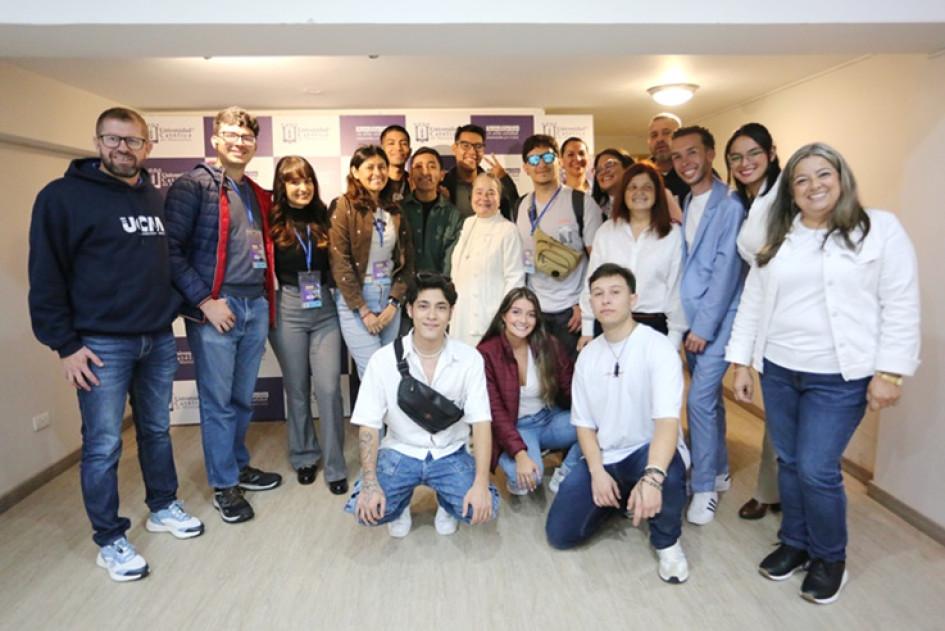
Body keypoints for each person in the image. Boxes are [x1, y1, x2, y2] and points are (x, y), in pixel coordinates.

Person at [727, 143, 920, 605]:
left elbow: (902, 302)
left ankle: (830, 557)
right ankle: (794, 542)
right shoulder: (780, 239)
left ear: (841, 178)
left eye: (823, 175)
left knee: (816, 468)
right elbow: (752, 304)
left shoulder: (879, 230)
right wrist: (741, 363)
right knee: (788, 462)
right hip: (780, 369)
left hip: (840, 376)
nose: (814, 186)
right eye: (802, 179)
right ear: (790, 192)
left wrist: (890, 373)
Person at [28, 107, 204, 581]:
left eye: (133, 141)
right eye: (113, 139)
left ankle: (163, 507)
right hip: (101, 343)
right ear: (98, 141)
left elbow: (167, 263)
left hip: (157, 338)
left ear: (147, 147)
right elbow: (45, 277)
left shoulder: (155, 196)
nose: (122, 148)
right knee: (104, 445)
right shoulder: (61, 198)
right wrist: (65, 345)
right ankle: (110, 538)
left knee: (154, 431)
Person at [166, 106, 282, 525]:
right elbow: (171, 252)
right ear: (216, 139)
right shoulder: (192, 185)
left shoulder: (253, 190)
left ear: (255, 143)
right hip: (218, 308)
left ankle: (236, 466)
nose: (239, 141)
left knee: (239, 400)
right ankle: (223, 485)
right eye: (231, 134)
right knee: (217, 403)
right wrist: (204, 302)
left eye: (247, 136)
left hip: (255, 304)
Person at [546, 264, 690, 584]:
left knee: (668, 475)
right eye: (598, 294)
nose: (606, 300)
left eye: (615, 292)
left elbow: (667, 423)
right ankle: (621, 497)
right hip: (606, 455)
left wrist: (652, 478)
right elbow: (583, 426)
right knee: (560, 534)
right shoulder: (587, 356)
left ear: (633, 299)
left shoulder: (658, 348)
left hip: (646, 449)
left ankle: (667, 543)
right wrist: (597, 472)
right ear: (590, 303)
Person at [345, 272, 500, 538]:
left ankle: (448, 505)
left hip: (450, 452)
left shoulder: (469, 359)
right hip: (400, 451)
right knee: (368, 513)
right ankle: (400, 503)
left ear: (451, 313)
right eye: (423, 306)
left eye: (441, 307)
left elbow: (482, 423)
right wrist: (370, 483)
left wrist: (481, 484)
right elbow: (369, 425)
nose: (432, 315)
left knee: (482, 510)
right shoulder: (382, 361)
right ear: (410, 310)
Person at [670, 125, 746, 526]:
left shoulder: (730, 205)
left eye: (692, 153)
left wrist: (702, 327)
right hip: (692, 321)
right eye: (678, 156)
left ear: (711, 154)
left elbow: (726, 272)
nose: (685, 162)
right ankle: (718, 471)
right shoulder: (688, 199)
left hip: (716, 322)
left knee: (697, 400)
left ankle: (701, 489)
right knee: (710, 400)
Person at [267, 156, 348, 494]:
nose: (302, 188)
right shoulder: (269, 221)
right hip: (289, 308)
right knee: (297, 388)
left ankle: (335, 466)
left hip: (325, 309)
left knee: (329, 388)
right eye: (293, 181)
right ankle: (303, 457)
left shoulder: (325, 217)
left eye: (307, 180)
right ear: (282, 187)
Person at [724, 123, 783, 520]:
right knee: (778, 418)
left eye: (753, 154)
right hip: (762, 312)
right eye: (736, 157)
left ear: (772, 153)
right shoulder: (744, 198)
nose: (745, 163)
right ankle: (771, 492)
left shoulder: (785, 198)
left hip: (787, 318)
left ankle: (778, 497)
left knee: (785, 422)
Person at [478, 288, 581, 496]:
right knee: (527, 482)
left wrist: (595, 412)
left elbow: (571, 387)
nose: (523, 320)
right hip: (517, 426)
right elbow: (495, 413)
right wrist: (520, 454)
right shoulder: (487, 353)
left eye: (531, 314)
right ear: (503, 315)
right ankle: (519, 453)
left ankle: (566, 470)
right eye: (516, 312)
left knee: (597, 423)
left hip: (549, 419)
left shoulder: (548, 344)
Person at [578, 161, 685, 350]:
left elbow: (676, 288)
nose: (639, 192)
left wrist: (674, 339)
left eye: (647, 187)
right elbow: (592, 280)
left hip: (654, 326)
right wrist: (587, 327)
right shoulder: (607, 231)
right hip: (609, 324)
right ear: (623, 193)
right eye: (632, 187)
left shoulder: (673, 234)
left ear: (658, 193)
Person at [329, 145, 414, 378]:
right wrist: (363, 310)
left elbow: (407, 264)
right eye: (370, 167)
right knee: (374, 375)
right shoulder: (342, 206)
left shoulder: (395, 210)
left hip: (389, 297)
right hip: (357, 299)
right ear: (355, 172)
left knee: (391, 371)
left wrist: (394, 304)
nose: (377, 172)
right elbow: (340, 261)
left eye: (382, 167)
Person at [515, 134, 603, 361]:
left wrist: (584, 306)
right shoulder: (521, 205)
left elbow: (597, 261)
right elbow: (525, 255)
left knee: (573, 385)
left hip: (571, 312)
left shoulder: (581, 203)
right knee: (542, 384)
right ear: (525, 167)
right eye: (534, 160)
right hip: (535, 312)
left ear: (559, 161)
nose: (541, 164)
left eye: (547, 157)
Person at [449, 172, 526, 347]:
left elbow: (515, 279)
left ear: (499, 199)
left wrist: (505, 318)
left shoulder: (508, 230)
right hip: (462, 317)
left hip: (489, 318)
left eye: (491, 193)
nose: (484, 198)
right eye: (479, 192)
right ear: (471, 197)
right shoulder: (468, 224)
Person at [401, 147, 462, 275]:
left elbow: (451, 261)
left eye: (432, 166)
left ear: (441, 175)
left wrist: (441, 289)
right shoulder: (399, 210)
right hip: (404, 290)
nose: (425, 172)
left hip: (440, 289)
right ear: (410, 174)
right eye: (418, 167)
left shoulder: (454, 215)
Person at [443, 123, 520, 219]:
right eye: (466, 145)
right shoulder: (442, 184)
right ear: (454, 149)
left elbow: (516, 212)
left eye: (478, 146)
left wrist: (505, 180)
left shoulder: (494, 184)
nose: (472, 152)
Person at [647, 113, 689, 206]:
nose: (660, 139)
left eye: (667, 133)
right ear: (649, 142)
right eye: (654, 135)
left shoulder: (696, 171)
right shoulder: (640, 174)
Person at [590, 148, 634, 220]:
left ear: (626, 168)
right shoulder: (593, 207)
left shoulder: (639, 201)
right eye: (598, 170)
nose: (603, 172)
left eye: (609, 165)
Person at [380, 124, 412, 202]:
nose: (398, 148)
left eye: (404, 143)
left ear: (410, 151)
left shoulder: (415, 184)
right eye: (391, 143)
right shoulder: (374, 182)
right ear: (382, 150)